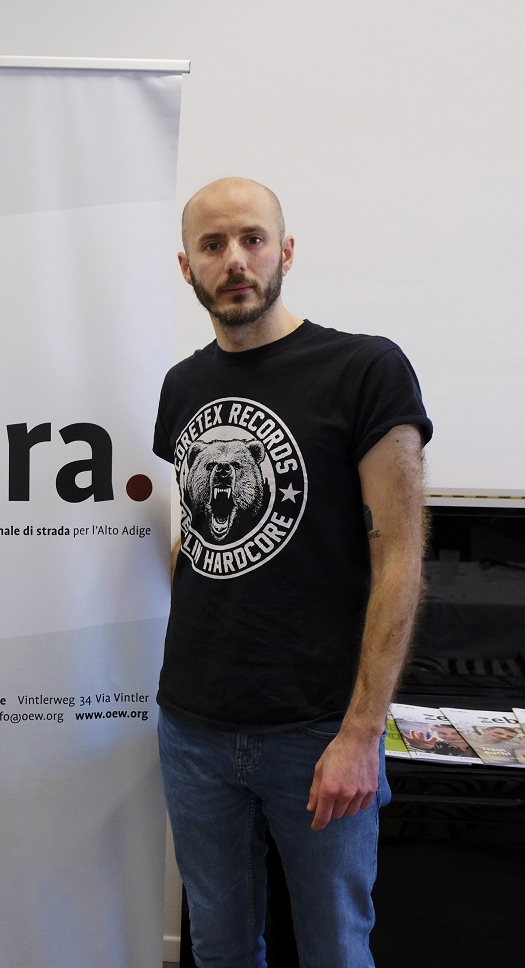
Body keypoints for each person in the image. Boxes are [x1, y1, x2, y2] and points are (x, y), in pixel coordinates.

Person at [154, 177, 431, 967]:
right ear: (188, 267)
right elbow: (198, 539)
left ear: (286, 251)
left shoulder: (365, 370)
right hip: (193, 728)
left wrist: (361, 732)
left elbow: (402, 555)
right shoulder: (184, 386)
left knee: (336, 949)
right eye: (213, 245)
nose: (235, 260)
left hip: (317, 730)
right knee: (220, 946)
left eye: (251, 239)